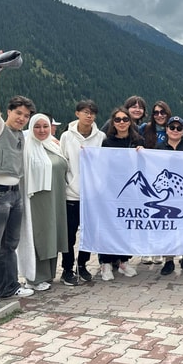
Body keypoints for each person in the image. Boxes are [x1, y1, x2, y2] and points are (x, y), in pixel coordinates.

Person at [0, 68, 36, 313]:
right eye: (18, 113)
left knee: (10, 245)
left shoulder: (21, 135)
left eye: (26, 115)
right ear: (9, 112)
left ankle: (9, 286)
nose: (22, 118)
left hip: (14, 194)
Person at [18, 113, 69, 291]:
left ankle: (48, 274)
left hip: (56, 197)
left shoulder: (53, 146)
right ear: (30, 128)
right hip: (37, 200)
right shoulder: (26, 148)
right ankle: (34, 277)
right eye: (37, 126)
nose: (41, 130)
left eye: (45, 126)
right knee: (40, 235)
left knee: (52, 234)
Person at [60, 100, 106, 286]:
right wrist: (66, 185)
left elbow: (105, 163)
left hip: (92, 196)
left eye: (92, 113)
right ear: (77, 113)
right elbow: (62, 163)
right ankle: (67, 269)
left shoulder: (100, 137)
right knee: (69, 236)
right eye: (85, 112)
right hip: (71, 194)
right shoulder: (66, 137)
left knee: (88, 235)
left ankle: (82, 265)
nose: (89, 115)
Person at [98, 107, 145, 281]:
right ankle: (105, 262)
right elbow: (101, 164)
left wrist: (143, 153)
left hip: (131, 191)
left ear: (130, 122)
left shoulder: (138, 140)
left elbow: (145, 165)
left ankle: (123, 261)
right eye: (117, 120)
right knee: (108, 225)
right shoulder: (107, 142)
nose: (122, 122)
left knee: (126, 225)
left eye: (125, 119)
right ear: (113, 122)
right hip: (111, 190)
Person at [156, 116, 183, 276]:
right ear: (166, 130)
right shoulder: (159, 148)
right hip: (166, 198)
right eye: (172, 127)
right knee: (167, 228)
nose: (175, 130)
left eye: (179, 128)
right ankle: (168, 261)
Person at [138, 100, 172, 265]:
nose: (159, 115)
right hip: (148, 175)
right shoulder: (145, 128)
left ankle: (159, 249)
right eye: (156, 112)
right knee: (147, 213)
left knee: (162, 215)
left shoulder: (173, 127)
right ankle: (146, 250)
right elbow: (135, 141)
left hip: (166, 178)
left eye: (162, 112)